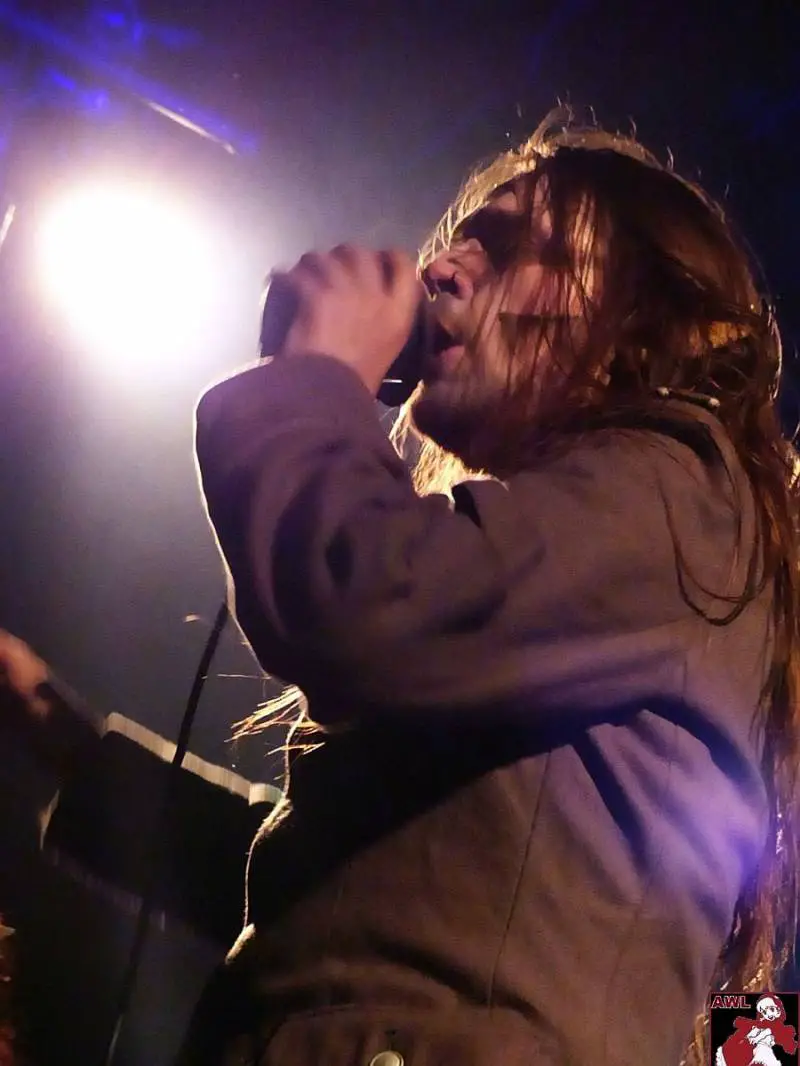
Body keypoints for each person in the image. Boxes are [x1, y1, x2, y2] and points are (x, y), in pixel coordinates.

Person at [3, 108, 798, 1066]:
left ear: (640, 312)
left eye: (510, 245)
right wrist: (61, 735)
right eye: (456, 241)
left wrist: (315, 377)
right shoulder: (576, 574)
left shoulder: (681, 497)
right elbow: (356, 899)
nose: (442, 268)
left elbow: (359, 597)